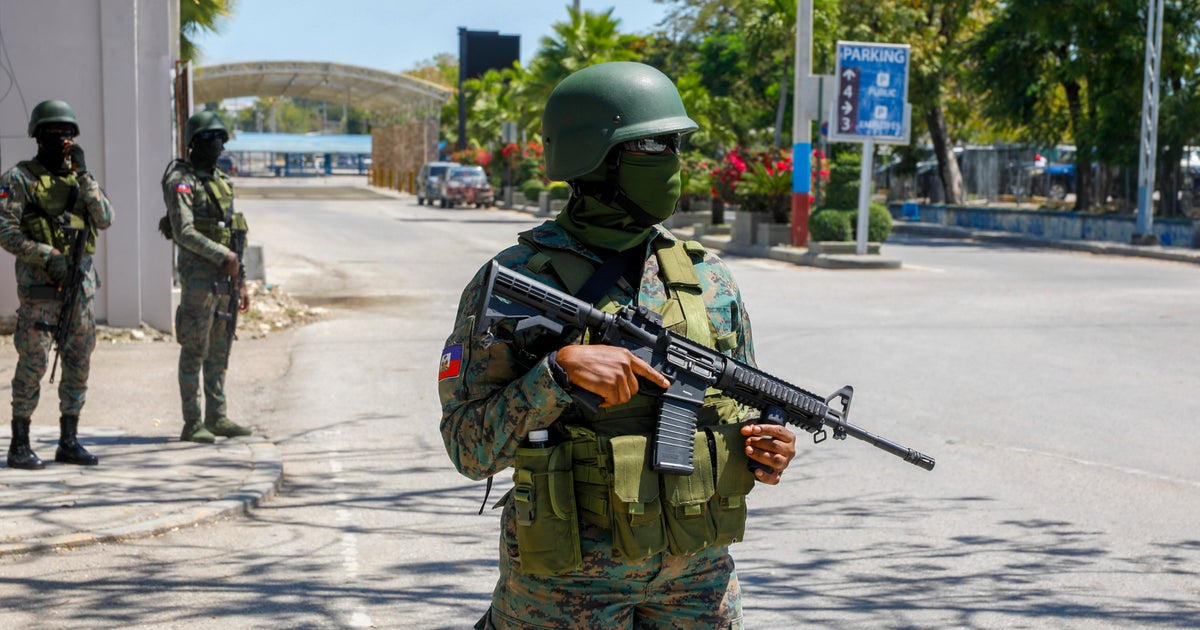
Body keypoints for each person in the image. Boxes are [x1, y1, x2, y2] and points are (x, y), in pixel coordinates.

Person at [438, 62, 798, 629]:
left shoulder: (710, 279)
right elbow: (468, 449)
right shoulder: (517, 280)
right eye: (657, 146)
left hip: (697, 581)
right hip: (561, 589)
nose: (676, 164)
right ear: (596, 159)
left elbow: (743, 409)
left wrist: (768, 447)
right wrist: (556, 374)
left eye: (678, 146)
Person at [0, 99, 113, 469]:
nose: (61, 138)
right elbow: (6, 231)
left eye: (66, 132)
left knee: (79, 362)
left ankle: (69, 440)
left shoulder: (80, 179)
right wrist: (48, 256)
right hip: (40, 290)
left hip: (80, 289)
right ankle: (19, 443)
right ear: (38, 136)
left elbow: (106, 217)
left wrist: (82, 173)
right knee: (33, 363)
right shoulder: (19, 179)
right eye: (53, 132)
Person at [160, 111, 251, 443]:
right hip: (199, 278)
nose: (218, 145)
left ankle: (217, 416)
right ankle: (192, 421)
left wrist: (242, 279)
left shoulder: (223, 183)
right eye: (211, 138)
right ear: (195, 142)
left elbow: (236, 234)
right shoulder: (181, 182)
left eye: (221, 139)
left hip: (226, 279)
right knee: (194, 349)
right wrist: (222, 256)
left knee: (219, 350)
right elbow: (183, 232)